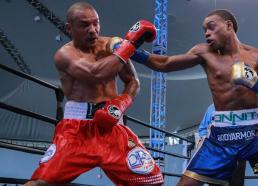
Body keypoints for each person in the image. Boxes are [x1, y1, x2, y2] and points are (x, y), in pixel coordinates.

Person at [131, 9, 258, 186]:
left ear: (228, 25)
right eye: (204, 30)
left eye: (211, 27)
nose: (207, 33)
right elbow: (165, 64)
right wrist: (131, 50)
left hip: (255, 132)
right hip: (220, 135)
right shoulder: (203, 52)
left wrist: (255, 82)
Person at [25, 2, 163, 186]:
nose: (92, 30)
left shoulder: (111, 45)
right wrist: (130, 45)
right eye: (84, 25)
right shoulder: (65, 55)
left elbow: (133, 82)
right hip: (77, 130)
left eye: (96, 23)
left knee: (152, 182)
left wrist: (120, 104)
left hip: (113, 126)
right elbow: (95, 74)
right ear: (69, 28)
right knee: (42, 183)